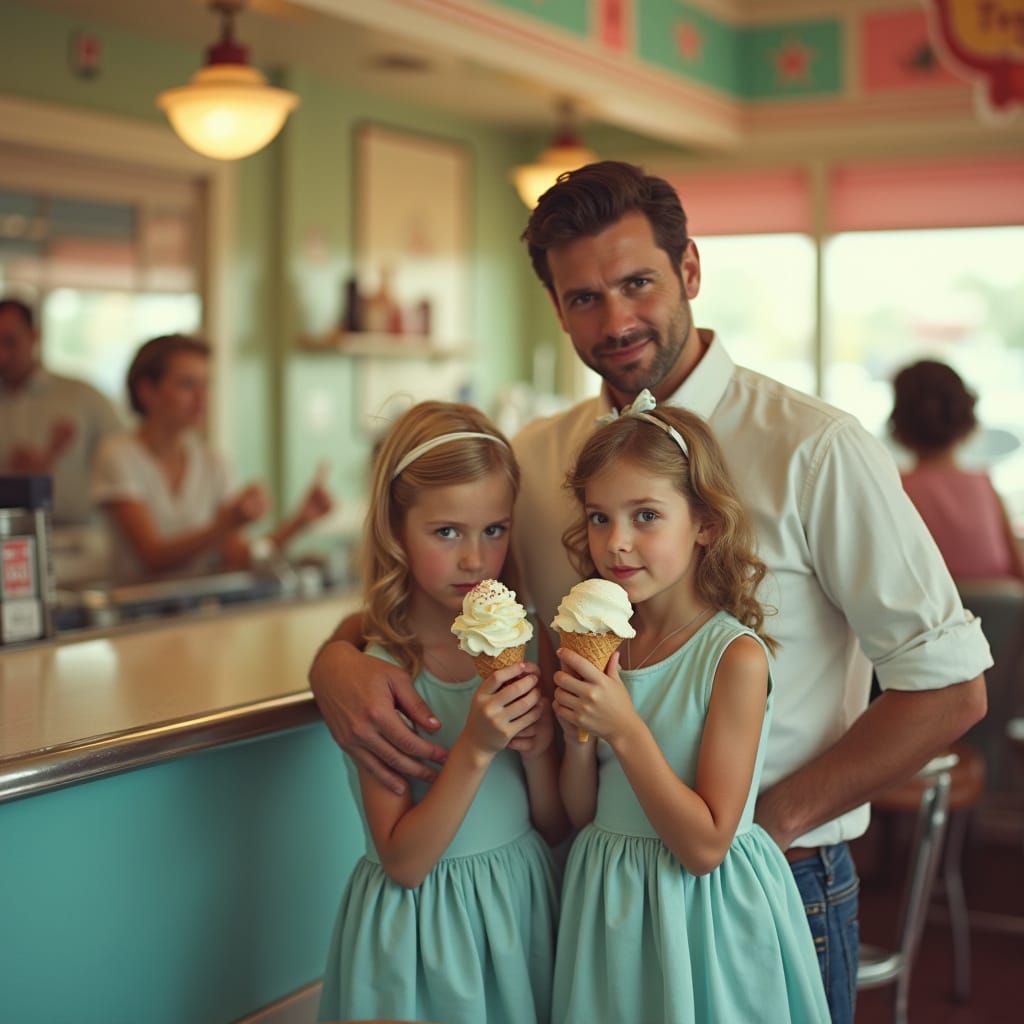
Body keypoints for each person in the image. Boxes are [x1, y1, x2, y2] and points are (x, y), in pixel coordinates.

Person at [309, 161, 990, 1023]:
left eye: (638, 283)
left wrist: (761, 823)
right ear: (556, 309)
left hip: (768, 876)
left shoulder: (815, 448)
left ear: (690, 271)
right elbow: (437, 592)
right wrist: (335, 660)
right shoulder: (538, 456)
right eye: (583, 297)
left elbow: (951, 686)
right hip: (593, 892)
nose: (616, 318)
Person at [551, 393, 828, 1021]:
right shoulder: (603, 639)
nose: (616, 543)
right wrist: (578, 737)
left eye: (645, 515)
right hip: (610, 902)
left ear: (704, 522)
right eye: (599, 518)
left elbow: (705, 846)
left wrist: (622, 728)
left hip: (700, 913)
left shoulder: (733, 659)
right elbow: (580, 811)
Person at [317, 401, 564, 1024]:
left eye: (494, 530)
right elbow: (403, 860)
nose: (475, 560)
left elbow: (554, 823)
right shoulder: (382, 670)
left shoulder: (531, 641)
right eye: (446, 532)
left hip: (519, 912)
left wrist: (537, 753)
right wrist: (476, 746)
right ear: (396, 531)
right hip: (422, 934)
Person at [91, 333, 332, 581]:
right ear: (147, 391)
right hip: (140, 614)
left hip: (203, 612)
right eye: (187, 384)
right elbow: (152, 557)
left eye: (206, 385)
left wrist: (299, 523)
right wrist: (226, 523)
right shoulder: (118, 455)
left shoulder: (213, 462)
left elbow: (239, 558)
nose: (201, 398)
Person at [890, 359, 1024, 581]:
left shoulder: (895, 491)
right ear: (967, 417)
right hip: (996, 614)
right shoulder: (984, 487)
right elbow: (1019, 573)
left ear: (898, 420)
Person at [0, 296, 122, 525]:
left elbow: (125, 463)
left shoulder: (82, 397)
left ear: (34, 336)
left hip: (77, 538)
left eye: (10, 342)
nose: (2, 356)